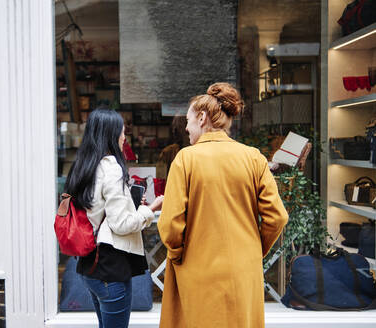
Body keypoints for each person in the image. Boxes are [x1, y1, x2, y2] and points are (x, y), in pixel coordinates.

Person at [157, 83, 288, 328]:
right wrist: (253, 250)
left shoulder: (185, 159)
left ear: (202, 117)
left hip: (197, 270)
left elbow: (170, 224)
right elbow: (277, 217)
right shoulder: (253, 157)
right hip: (243, 271)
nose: (186, 127)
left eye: (188, 120)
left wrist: (176, 255)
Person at [64, 108, 164, 328]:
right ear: (110, 134)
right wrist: (152, 208)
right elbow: (122, 224)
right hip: (110, 267)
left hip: (89, 265)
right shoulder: (111, 168)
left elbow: (99, 211)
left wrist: (132, 206)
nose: (124, 137)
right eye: (121, 131)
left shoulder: (83, 166)